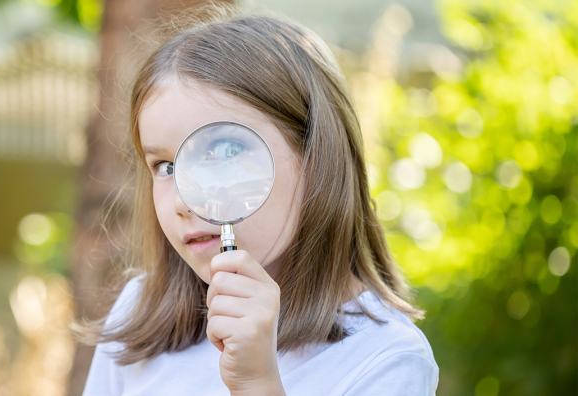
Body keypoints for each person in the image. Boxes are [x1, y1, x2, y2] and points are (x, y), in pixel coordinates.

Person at [74, 6, 439, 396]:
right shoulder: (139, 315)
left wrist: (256, 383)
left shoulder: (385, 357)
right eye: (165, 166)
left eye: (226, 150)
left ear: (317, 155)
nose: (183, 199)